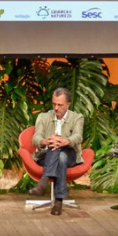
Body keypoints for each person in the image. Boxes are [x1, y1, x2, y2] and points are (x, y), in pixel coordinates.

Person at [29, 88, 84, 216]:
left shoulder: (77, 118)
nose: (56, 108)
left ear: (68, 104)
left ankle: (43, 182)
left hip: (70, 153)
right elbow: (36, 138)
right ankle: (58, 201)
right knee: (61, 156)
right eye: (54, 104)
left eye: (60, 105)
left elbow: (78, 136)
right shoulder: (43, 117)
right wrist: (45, 141)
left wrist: (66, 141)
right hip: (46, 155)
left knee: (61, 150)